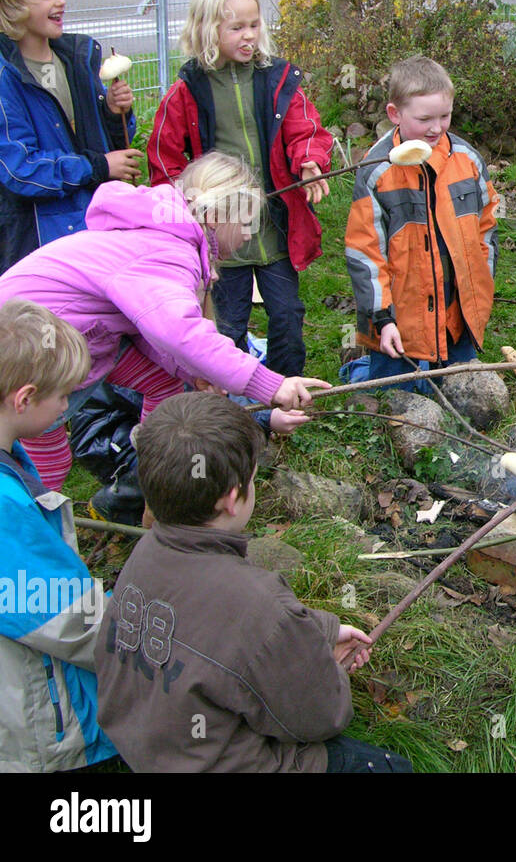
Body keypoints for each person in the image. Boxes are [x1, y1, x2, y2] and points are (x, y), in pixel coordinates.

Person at [92, 391, 409, 771]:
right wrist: (327, 672)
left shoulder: (146, 553)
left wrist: (321, 631)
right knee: (389, 766)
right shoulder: (259, 602)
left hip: (146, 748)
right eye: (254, 479)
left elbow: (222, 631)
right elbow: (322, 717)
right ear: (231, 499)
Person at [0, 151, 326, 491]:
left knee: (164, 384)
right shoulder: (168, 251)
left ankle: (155, 473)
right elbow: (180, 333)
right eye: (246, 224)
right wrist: (271, 384)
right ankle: (32, 518)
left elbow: (147, 325)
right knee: (46, 456)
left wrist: (191, 372)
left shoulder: (164, 234)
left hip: (89, 336)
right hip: (30, 344)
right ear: (215, 216)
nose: (248, 236)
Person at [149, 0, 332, 378]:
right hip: (220, 232)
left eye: (254, 25)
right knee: (227, 320)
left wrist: (308, 161)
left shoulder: (277, 79)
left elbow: (306, 128)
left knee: (286, 314)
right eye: (236, 27)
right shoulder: (186, 92)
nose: (249, 35)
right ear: (206, 30)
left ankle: (287, 387)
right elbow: (163, 159)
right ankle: (228, 392)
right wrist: (187, 206)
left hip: (273, 225)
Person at [0, 299, 117, 772]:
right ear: (24, 399)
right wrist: (162, 639)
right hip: (38, 734)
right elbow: (71, 622)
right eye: (64, 395)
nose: (68, 406)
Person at [346, 56, 498, 392]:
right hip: (402, 313)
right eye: (424, 119)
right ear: (394, 115)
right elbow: (365, 252)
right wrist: (382, 317)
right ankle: (359, 370)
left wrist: (480, 291)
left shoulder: (467, 161)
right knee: (393, 394)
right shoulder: (377, 171)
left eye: (445, 116)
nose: (436, 127)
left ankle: (441, 366)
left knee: (461, 392)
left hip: (455, 309)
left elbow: (487, 228)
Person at [0, 0, 141, 273]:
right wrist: (98, 167)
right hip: (41, 242)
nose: (60, 2)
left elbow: (104, 139)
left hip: (96, 225)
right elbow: (20, 170)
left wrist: (112, 111)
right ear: (14, 5)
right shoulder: (6, 78)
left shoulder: (74, 60)